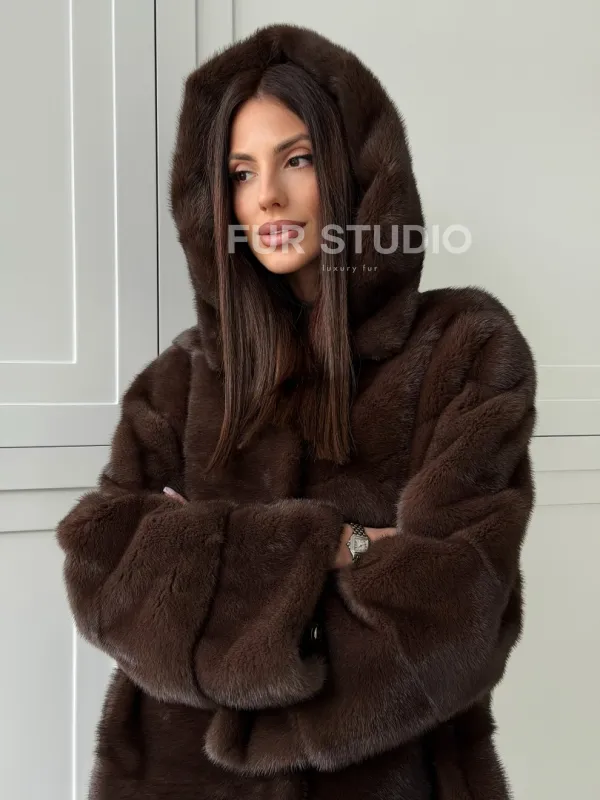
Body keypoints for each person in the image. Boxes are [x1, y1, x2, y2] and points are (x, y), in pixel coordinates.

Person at [56, 22, 537, 800]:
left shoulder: (465, 352)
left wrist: (204, 564)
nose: (267, 196)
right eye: (241, 172)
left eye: (298, 159)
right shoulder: (175, 382)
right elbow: (108, 583)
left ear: (358, 173)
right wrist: (338, 548)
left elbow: (455, 612)